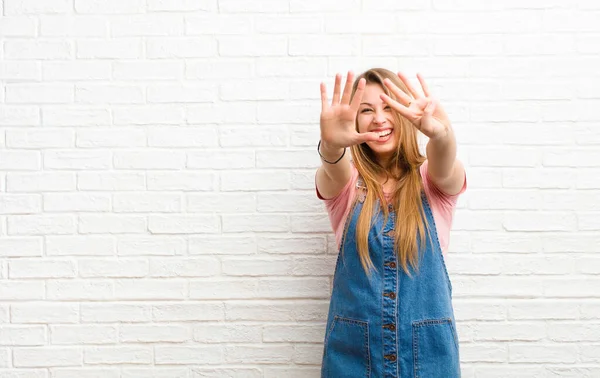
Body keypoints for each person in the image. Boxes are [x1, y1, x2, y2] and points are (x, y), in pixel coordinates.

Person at [316, 68, 467, 378]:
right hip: (353, 359)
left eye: (388, 107)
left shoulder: (432, 181)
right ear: (354, 120)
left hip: (428, 358)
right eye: (366, 110)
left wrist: (441, 133)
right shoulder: (347, 185)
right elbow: (333, 170)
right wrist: (331, 147)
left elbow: (444, 161)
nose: (379, 118)